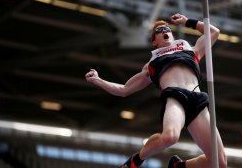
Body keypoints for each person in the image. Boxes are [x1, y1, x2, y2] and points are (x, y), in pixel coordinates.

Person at [85, 13, 227, 168]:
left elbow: (214, 32)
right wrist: (98, 80)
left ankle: (179, 166)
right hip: (175, 97)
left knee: (219, 162)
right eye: (159, 31)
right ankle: (137, 159)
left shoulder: (192, 50)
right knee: (170, 137)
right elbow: (124, 89)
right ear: (154, 41)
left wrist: (187, 22)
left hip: (198, 100)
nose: (164, 31)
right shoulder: (151, 64)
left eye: (167, 29)